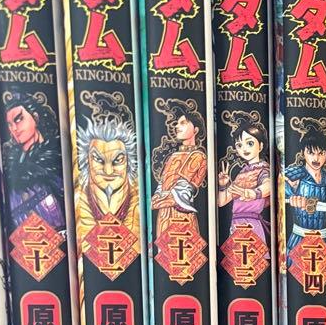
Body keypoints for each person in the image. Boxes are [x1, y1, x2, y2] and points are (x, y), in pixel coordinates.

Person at [74, 105, 140, 252]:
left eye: (118, 160)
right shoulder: (79, 201)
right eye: (98, 159)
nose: (108, 171)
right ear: (87, 161)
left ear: (129, 163)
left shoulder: (139, 202)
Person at [149, 101, 207, 252]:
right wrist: (158, 196)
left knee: (184, 255)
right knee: (164, 255)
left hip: (181, 214)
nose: (177, 126)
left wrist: (156, 201)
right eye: (177, 123)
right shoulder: (173, 156)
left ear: (195, 130)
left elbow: (183, 190)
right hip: (164, 215)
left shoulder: (198, 156)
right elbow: (162, 183)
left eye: (183, 123)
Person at [2, 92, 65, 230]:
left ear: (35, 118)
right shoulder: (11, 165)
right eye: (10, 124)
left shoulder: (56, 156)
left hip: (57, 231)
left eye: (19, 119)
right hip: (21, 235)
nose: (14, 128)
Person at [284, 124, 326, 262]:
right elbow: (281, 190)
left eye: (321, 153)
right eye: (311, 153)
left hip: (323, 242)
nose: (316, 158)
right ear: (303, 152)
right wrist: (292, 197)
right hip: (299, 240)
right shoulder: (295, 175)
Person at [218, 114, 272, 244]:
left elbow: (269, 185)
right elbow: (222, 201)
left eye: (250, 143)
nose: (244, 149)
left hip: (251, 224)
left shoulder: (263, 168)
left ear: (260, 146)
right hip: (236, 224)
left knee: (252, 255)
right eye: (239, 145)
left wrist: (253, 193)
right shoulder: (242, 172)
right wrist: (223, 185)